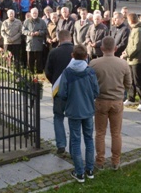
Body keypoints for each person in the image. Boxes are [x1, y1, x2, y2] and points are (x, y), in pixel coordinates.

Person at [58, 45, 100, 183]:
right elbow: (96, 91)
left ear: (72, 55)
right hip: (88, 110)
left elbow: (62, 93)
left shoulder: (67, 72)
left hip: (73, 111)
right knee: (89, 139)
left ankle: (79, 172)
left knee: (75, 140)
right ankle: (89, 169)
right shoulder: (90, 72)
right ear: (86, 56)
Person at [90, 36, 132, 170]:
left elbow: (89, 83)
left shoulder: (94, 63)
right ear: (115, 48)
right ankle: (115, 161)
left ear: (101, 48)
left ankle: (100, 161)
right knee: (116, 133)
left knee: (100, 133)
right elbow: (129, 84)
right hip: (117, 101)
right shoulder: (123, 63)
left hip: (101, 101)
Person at [44, 30, 75, 155]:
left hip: (58, 90)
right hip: (74, 91)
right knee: (74, 119)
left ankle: (61, 144)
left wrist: (55, 82)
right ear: (70, 37)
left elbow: (47, 72)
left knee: (58, 117)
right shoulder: (78, 51)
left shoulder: (54, 52)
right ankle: (74, 147)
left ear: (59, 39)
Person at [122, 13, 141, 112]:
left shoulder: (138, 31)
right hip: (131, 59)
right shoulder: (134, 29)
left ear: (130, 21)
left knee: (138, 81)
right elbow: (130, 44)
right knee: (131, 80)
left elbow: (136, 46)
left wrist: (127, 54)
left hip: (137, 60)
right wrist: (126, 52)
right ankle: (131, 98)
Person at [22, 7, 48, 73]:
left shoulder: (42, 21)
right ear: (31, 13)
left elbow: (45, 31)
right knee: (30, 58)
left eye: (36, 13)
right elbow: (23, 30)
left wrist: (39, 33)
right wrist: (29, 33)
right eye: (33, 13)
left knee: (39, 57)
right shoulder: (27, 21)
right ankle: (31, 70)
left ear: (38, 13)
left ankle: (39, 70)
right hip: (30, 42)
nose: (35, 14)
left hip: (38, 42)